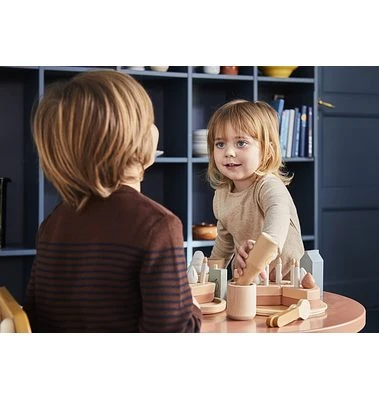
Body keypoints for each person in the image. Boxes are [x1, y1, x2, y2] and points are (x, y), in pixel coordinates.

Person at [24, 70, 202, 332]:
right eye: (149, 122)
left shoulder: (53, 222)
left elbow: (35, 317)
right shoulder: (158, 226)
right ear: (136, 142)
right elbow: (172, 333)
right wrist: (192, 308)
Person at [207, 99, 304, 281]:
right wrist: (208, 281)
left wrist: (256, 259)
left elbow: (275, 231)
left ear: (267, 150)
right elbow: (222, 247)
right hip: (252, 282)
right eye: (220, 144)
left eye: (241, 143)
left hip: (289, 282)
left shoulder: (269, 186)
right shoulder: (221, 196)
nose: (229, 152)